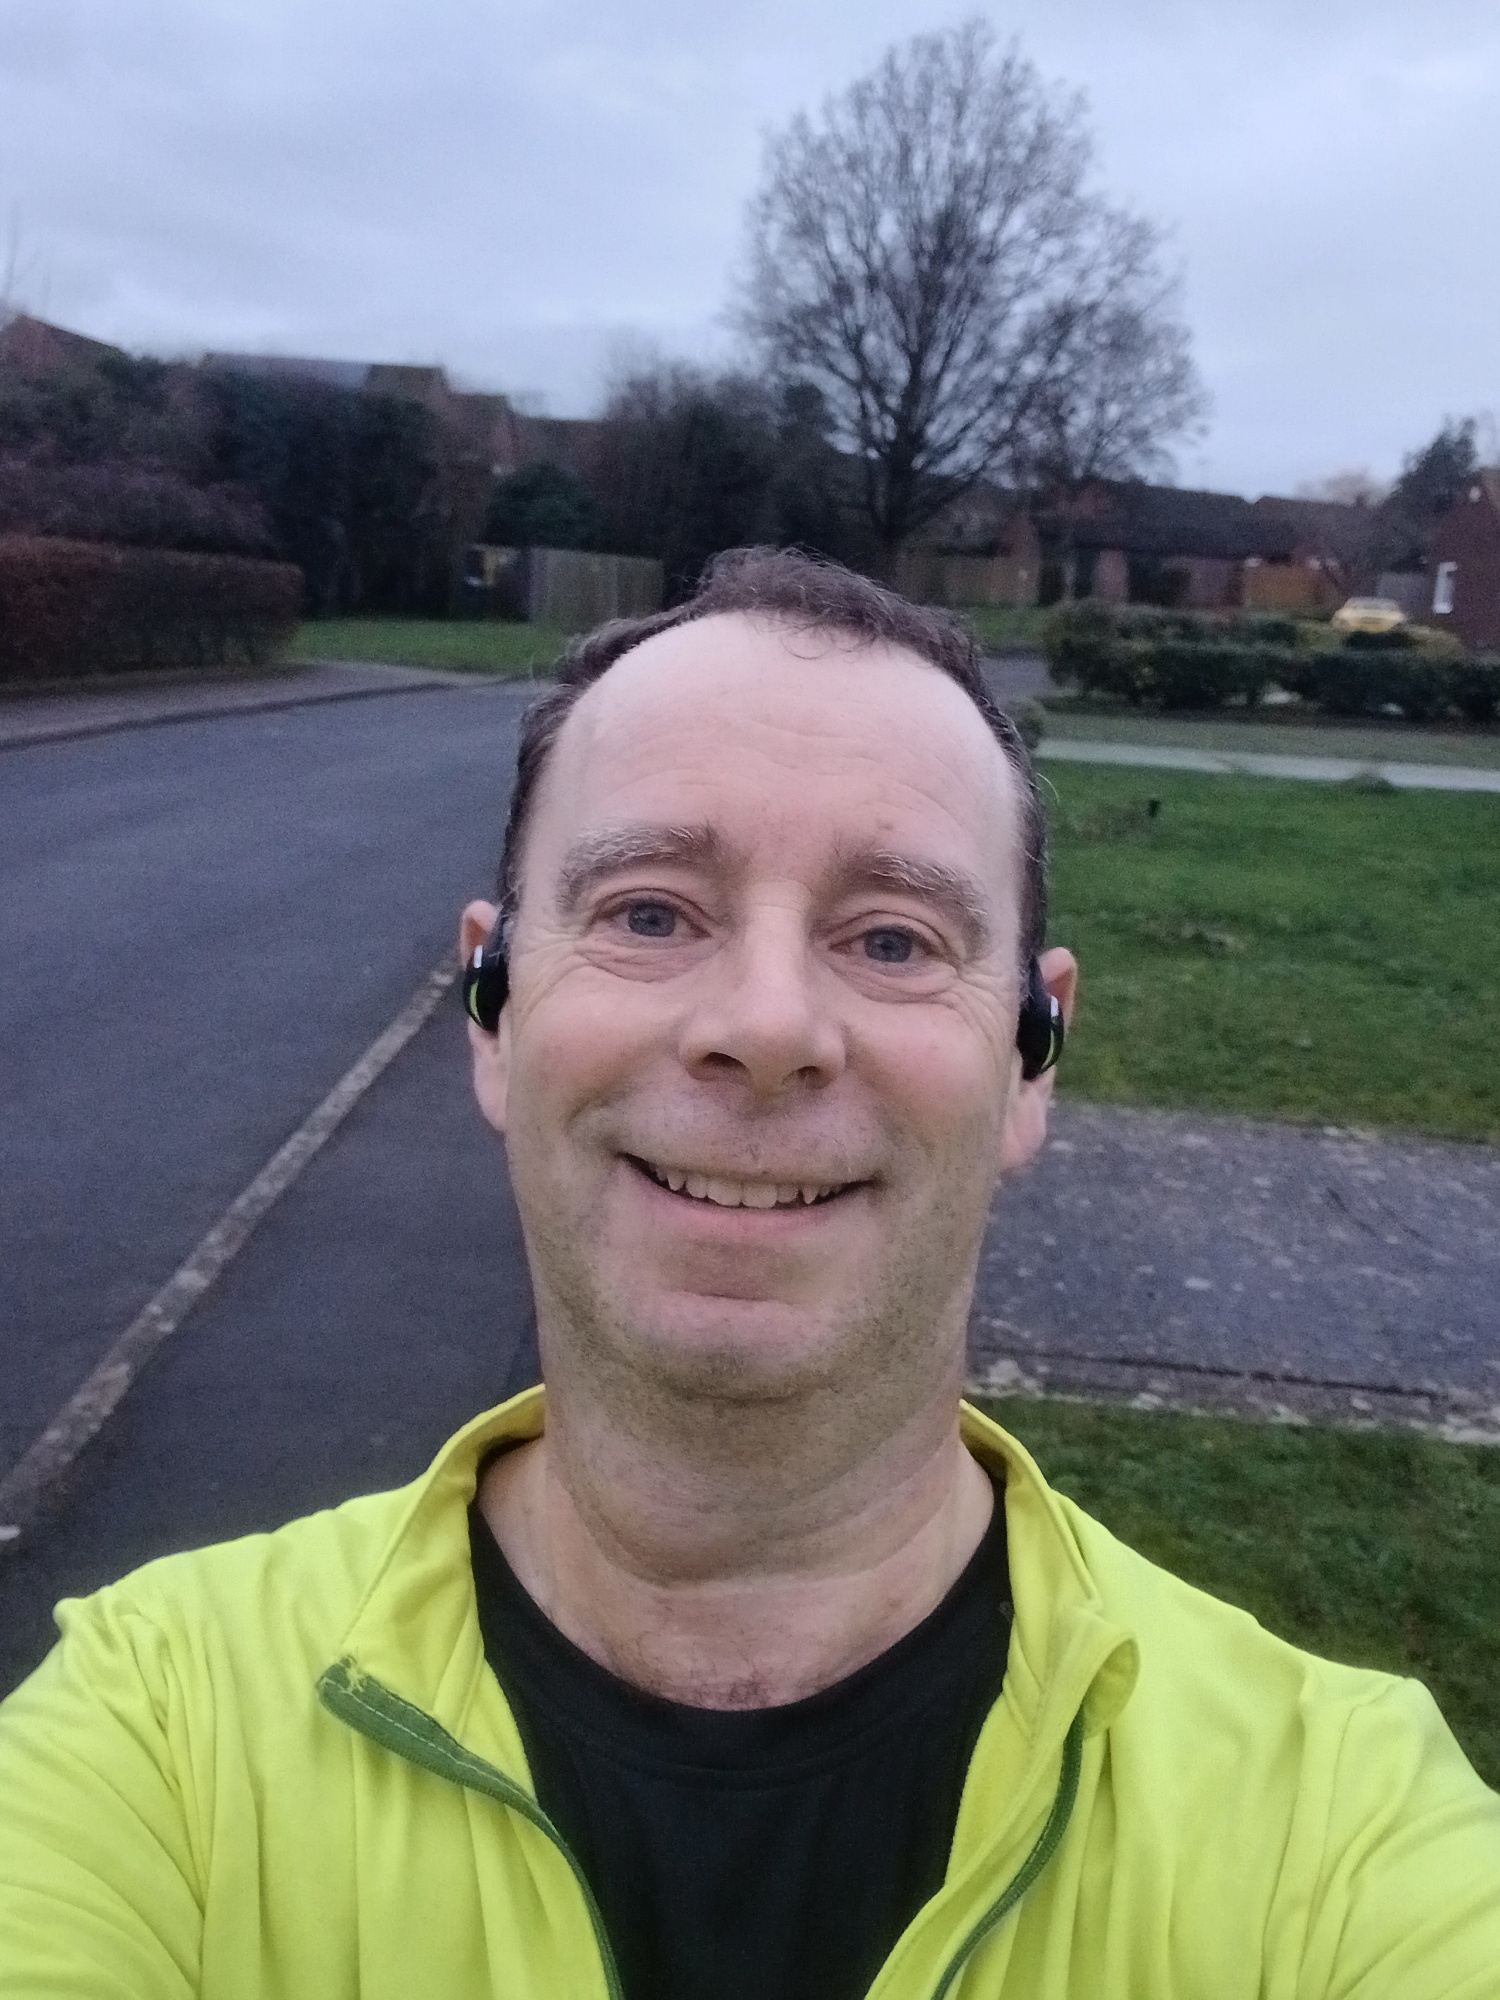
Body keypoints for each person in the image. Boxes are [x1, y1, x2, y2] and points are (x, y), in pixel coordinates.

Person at [0, 548, 1496, 1999]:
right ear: (493, 1008)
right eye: (650, 912)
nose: (768, 1026)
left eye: (893, 939)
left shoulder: (1338, 1836)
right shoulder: (158, 1734)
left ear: (1033, 1058)